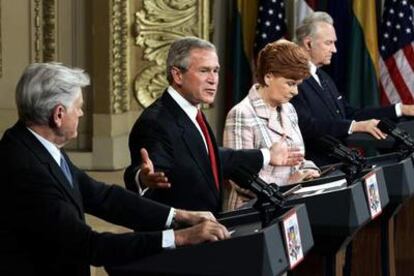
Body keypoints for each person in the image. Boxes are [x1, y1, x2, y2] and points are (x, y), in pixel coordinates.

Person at [0, 62, 230, 276]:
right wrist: (179, 238)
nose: (81, 113)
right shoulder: (25, 168)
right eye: (78, 107)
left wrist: (179, 215)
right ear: (59, 114)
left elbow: (102, 196)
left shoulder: (34, 143)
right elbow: (90, 246)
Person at [124, 37, 303, 213]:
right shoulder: (155, 122)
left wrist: (266, 155)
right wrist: (142, 178)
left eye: (216, 71)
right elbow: (148, 173)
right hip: (183, 235)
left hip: (207, 229)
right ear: (178, 75)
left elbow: (211, 157)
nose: (213, 79)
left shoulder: (192, 112)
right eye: (204, 71)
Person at [291, 11, 414, 165]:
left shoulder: (323, 77)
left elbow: (350, 113)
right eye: (329, 43)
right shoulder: (292, 79)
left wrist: (400, 109)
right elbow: (306, 126)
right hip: (315, 168)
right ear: (308, 43)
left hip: (340, 164)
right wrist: (354, 126)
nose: (334, 50)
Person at [223, 40, 320, 210]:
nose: (295, 91)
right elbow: (239, 179)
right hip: (253, 213)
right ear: (268, 77)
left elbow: (297, 158)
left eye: (297, 85)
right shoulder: (241, 114)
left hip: (288, 207)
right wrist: (288, 184)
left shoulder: (289, 109)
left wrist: (310, 172)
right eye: (290, 83)